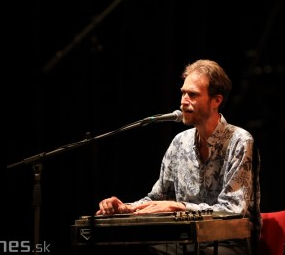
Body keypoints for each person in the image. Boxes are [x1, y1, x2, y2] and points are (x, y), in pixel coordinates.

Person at [96, 59, 261, 254]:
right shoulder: (179, 142)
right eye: (183, 93)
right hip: (185, 242)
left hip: (229, 244)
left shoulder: (240, 141)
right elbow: (157, 197)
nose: (183, 101)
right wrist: (127, 208)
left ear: (216, 100)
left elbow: (233, 209)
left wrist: (179, 207)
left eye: (192, 95)